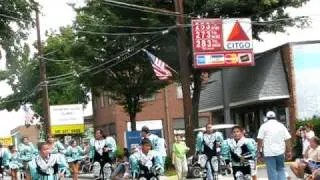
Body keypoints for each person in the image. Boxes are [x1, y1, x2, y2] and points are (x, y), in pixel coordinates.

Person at [257, 111, 292, 180]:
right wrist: (289, 151)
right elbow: (287, 139)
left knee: (272, 172)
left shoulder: (263, 126)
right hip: (280, 152)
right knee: (281, 170)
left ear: (267, 118)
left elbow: (259, 140)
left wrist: (259, 152)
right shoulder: (281, 125)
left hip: (269, 153)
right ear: (275, 117)